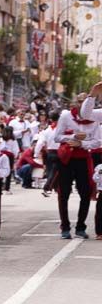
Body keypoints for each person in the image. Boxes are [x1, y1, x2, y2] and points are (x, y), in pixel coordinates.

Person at [52, 92, 100, 239]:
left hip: (83, 158)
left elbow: (98, 142)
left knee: (85, 193)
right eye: (79, 101)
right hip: (67, 158)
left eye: (85, 102)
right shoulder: (66, 116)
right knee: (64, 193)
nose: (82, 105)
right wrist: (72, 136)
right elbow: (57, 137)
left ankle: (80, 226)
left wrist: (82, 143)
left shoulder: (95, 119)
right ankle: (65, 227)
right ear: (76, 102)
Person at [0, 126, 19, 193]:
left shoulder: (1, 139)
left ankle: (0, 186)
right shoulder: (13, 140)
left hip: (1, 155)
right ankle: (7, 188)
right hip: (9, 156)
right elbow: (15, 150)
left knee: (1, 170)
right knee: (9, 171)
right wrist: (15, 157)